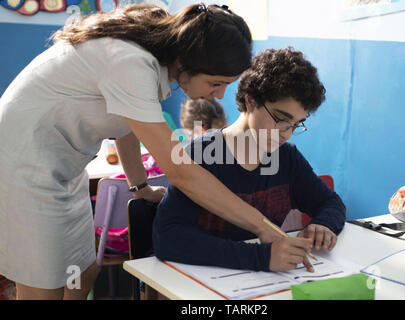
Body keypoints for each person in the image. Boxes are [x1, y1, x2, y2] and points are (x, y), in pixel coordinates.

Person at [0, 4, 283, 300]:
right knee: (43, 288)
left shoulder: (152, 56)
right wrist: (262, 226)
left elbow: (126, 125)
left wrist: (140, 186)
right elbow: (181, 171)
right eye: (216, 83)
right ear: (186, 60)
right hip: (22, 167)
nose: (220, 95)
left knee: (82, 274)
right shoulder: (131, 62)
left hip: (62, 169)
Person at [153, 47, 346, 272]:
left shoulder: (286, 157)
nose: (286, 133)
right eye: (280, 119)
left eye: (295, 124)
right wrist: (262, 258)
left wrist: (322, 225)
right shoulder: (201, 155)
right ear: (251, 101)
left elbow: (331, 203)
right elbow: (167, 239)